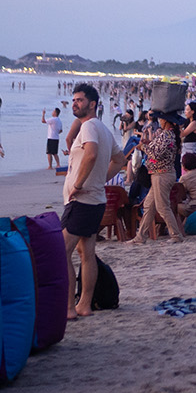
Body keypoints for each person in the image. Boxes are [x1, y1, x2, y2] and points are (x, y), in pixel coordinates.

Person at [61, 83, 126, 319]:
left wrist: (78, 184)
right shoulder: (103, 129)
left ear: (93, 104)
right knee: (86, 253)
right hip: (94, 200)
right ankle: (84, 305)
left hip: (83, 201)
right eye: (74, 99)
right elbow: (119, 160)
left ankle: (69, 308)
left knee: (62, 251)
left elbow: (91, 154)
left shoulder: (89, 127)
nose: (75, 103)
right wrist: (99, 180)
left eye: (80, 100)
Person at [128, 109, 187, 245]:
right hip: (159, 174)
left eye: (161, 118)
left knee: (162, 207)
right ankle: (140, 237)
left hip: (162, 174)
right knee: (149, 205)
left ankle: (176, 235)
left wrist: (143, 147)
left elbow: (156, 155)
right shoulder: (167, 135)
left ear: (165, 121)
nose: (159, 120)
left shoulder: (166, 136)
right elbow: (157, 151)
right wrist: (148, 143)